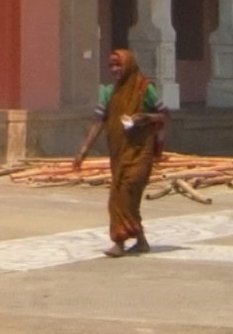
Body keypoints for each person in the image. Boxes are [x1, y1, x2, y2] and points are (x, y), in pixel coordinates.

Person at [69, 44, 166, 255]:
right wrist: (83, 150)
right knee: (119, 195)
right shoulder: (108, 92)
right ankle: (136, 240)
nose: (114, 70)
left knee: (128, 191)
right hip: (119, 152)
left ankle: (122, 240)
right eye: (111, 66)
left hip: (140, 152)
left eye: (118, 65)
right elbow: (99, 121)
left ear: (128, 65)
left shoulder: (144, 88)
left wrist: (146, 118)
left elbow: (165, 115)